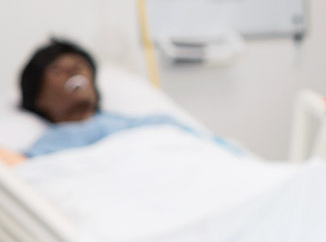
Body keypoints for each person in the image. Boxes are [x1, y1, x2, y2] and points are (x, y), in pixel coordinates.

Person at [3, 38, 237, 163]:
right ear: (36, 96)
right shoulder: (55, 141)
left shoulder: (157, 122)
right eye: (57, 70)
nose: (74, 72)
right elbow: (20, 170)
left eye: (80, 66)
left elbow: (216, 149)